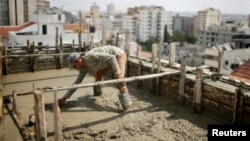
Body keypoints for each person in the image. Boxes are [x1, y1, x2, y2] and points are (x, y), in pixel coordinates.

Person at [58, 45, 132, 110]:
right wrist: (65, 98)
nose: (75, 69)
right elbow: (77, 83)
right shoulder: (83, 68)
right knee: (98, 74)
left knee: (120, 81)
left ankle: (127, 105)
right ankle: (98, 93)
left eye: (74, 66)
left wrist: (117, 73)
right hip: (108, 61)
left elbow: (112, 58)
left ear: (77, 61)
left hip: (118, 55)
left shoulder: (90, 56)